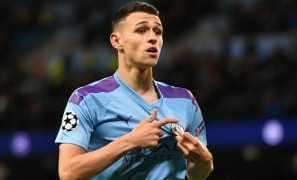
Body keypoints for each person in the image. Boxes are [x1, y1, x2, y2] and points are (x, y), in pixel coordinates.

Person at [55, 1, 213, 179]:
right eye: (141, 30)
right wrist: (130, 141)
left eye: (158, 31)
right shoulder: (86, 98)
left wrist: (205, 162)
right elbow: (68, 172)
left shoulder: (184, 100)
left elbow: (196, 175)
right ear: (117, 41)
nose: (153, 37)